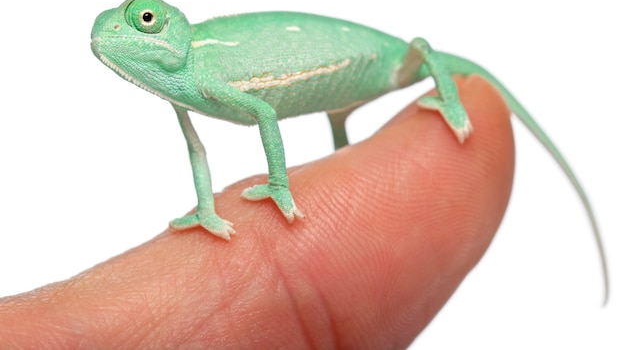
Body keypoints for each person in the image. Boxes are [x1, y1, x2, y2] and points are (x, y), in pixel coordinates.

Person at [0, 76, 514, 348]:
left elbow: (264, 111)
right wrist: (205, 210)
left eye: (147, 21)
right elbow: (197, 150)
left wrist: (279, 187)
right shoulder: (179, 92)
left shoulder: (196, 68)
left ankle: (447, 94)